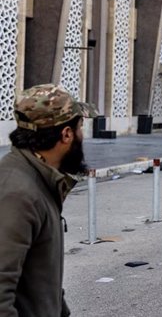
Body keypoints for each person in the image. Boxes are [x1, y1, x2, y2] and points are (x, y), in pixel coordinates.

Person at [0, 84, 97, 316]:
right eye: (80, 127)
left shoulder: (38, 179)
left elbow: (40, 278)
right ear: (66, 134)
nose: (83, 137)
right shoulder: (18, 193)